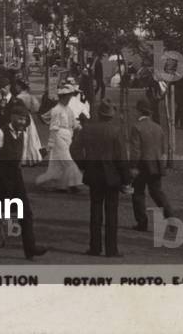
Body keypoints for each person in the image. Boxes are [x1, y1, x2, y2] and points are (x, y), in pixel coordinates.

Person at [0, 99, 47, 260]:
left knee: (26, 213)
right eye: (20, 119)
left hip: (15, 178)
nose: (22, 122)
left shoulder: (23, 135)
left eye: (24, 119)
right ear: (12, 117)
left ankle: (30, 248)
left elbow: (20, 159)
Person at [72, 99, 130, 257]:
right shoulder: (116, 131)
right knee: (112, 214)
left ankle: (95, 247)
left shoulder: (87, 129)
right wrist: (126, 179)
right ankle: (111, 249)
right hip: (112, 176)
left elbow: (74, 149)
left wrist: (84, 164)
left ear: (99, 114)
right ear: (111, 115)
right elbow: (121, 158)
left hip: (94, 174)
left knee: (95, 212)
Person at [130, 98, 175, 231]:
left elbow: (135, 150)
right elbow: (162, 149)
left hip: (142, 165)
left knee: (138, 193)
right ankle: (171, 219)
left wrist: (133, 166)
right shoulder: (158, 127)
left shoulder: (136, 127)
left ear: (139, 111)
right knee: (157, 193)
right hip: (156, 164)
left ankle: (142, 222)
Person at [36, 84, 84, 191]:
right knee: (67, 160)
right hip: (59, 137)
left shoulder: (68, 109)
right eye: (67, 96)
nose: (69, 98)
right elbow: (54, 128)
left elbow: (73, 122)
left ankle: (58, 184)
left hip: (67, 137)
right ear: (62, 97)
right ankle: (73, 184)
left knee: (58, 163)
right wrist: (50, 144)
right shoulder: (56, 110)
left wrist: (79, 127)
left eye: (70, 96)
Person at [14, 79, 43, 166]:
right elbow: (36, 108)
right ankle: (33, 157)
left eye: (17, 86)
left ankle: (24, 158)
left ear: (20, 87)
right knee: (31, 138)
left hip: (21, 116)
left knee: (23, 137)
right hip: (29, 116)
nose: (16, 87)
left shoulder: (19, 97)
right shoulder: (30, 96)